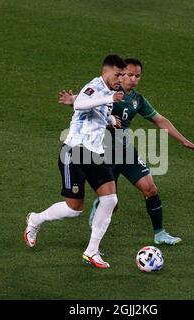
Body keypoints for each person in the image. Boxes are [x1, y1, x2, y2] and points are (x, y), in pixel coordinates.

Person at [58, 58, 194, 245]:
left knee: (150, 188)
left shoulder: (138, 100)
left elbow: (160, 120)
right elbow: (85, 101)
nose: (133, 79)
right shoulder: (108, 90)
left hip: (125, 152)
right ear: (119, 74)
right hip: (104, 153)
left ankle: (160, 234)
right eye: (129, 75)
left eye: (138, 76)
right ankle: (96, 228)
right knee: (113, 203)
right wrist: (72, 100)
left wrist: (183, 140)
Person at [24, 54, 127, 269]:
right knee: (74, 209)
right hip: (74, 152)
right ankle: (35, 220)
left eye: (122, 75)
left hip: (94, 153)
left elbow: (90, 108)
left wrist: (109, 119)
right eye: (117, 74)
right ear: (106, 71)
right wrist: (106, 101)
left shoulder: (109, 92)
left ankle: (91, 252)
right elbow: (81, 103)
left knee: (110, 199)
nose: (120, 79)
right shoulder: (95, 87)